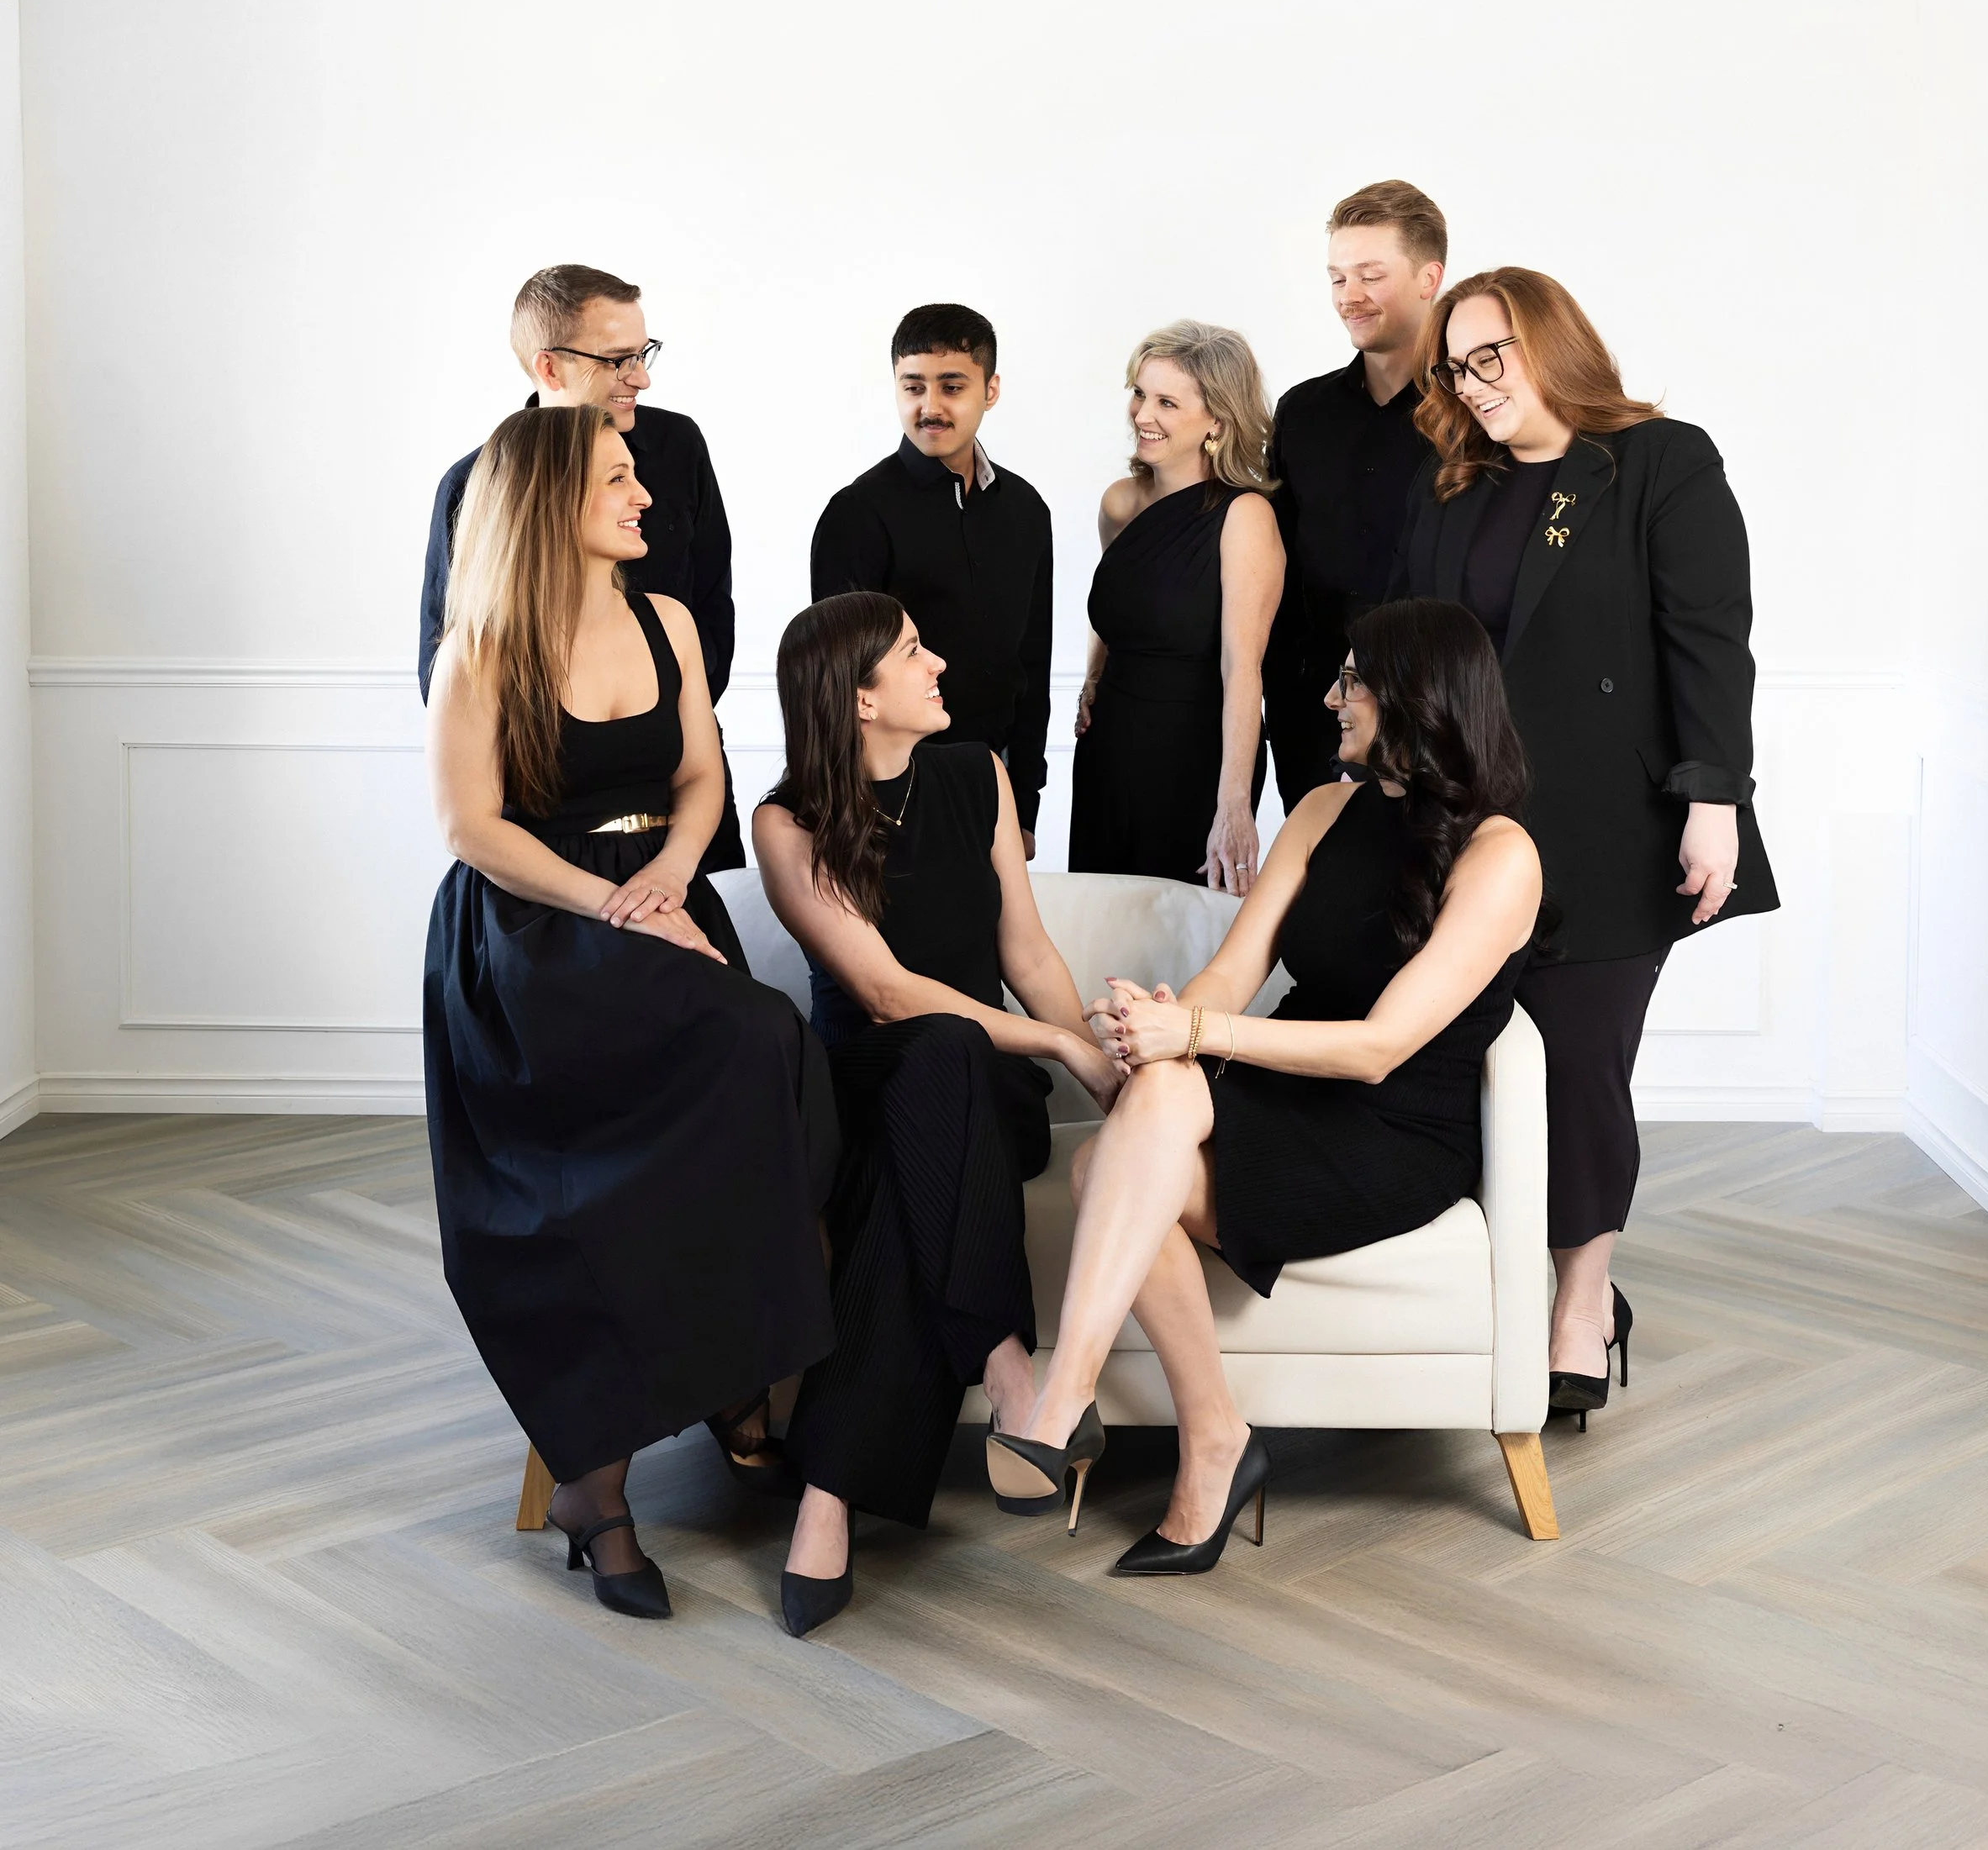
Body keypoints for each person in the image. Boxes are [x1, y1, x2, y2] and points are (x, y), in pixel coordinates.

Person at [988, 600, 1541, 1570]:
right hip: (1285, 1085)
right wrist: (1158, 1028)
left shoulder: (1501, 855)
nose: (1330, 699)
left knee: (1099, 1172)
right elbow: (1230, 977)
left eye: (1350, 681)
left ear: (1411, 696)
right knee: (1149, 1107)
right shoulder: (1326, 808)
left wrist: (1191, 1033)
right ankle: (1151, 1422)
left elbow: (1379, 1045)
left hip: (1392, 1127)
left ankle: (1114, 1416)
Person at [424, 404, 836, 1622]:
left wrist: (671, 877)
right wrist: (615, 902)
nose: (644, 496)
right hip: (534, 935)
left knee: (770, 1048)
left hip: (651, 901)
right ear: (553, 501)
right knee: (743, 1044)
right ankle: (606, 1481)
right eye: (617, 477)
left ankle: (725, 1371)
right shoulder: (482, 646)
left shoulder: (669, 622)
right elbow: (472, 830)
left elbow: (703, 774)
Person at [1397, 266, 1780, 1422]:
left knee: (1580, 1061)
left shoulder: (1659, 462)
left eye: (1492, 355)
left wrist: (1713, 798)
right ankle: (1495, 1281)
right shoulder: (1452, 487)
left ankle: (1583, 1297)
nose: (1474, 385)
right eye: (1458, 366)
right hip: (1472, 826)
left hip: (1617, 825)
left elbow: (1710, 639)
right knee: (1467, 1054)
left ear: (1550, 342)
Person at [753, 593, 1121, 1637]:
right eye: (915, 651)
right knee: (927, 1071)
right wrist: (1051, 1043)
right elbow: (884, 996)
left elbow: (1027, 956)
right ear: (860, 698)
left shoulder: (977, 775)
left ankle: (827, 1497)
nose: (939, 659)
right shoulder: (788, 823)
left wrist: (1090, 1054)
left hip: (974, 1087)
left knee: (951, 1064)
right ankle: (1010, 1365)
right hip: (862, 1092)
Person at [419, 264, 747, 870]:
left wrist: (658, 738)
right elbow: (448, 671)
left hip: (678, 793)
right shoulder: (474, 485)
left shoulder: (679, 450)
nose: (641, 377)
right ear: (550, 366)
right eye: (617, 359)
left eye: (643, 353)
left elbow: (712, 612)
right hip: (549, 818)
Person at [810, 305, 1053, 856]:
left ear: (990, 391)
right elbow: (834, 684)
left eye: (951, 386)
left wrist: (1026, 807)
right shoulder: (857, 513)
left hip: (992, 796)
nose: (929, 407)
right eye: (913, 386)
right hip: (885, 800)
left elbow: (1031, 669)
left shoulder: (1026, 510)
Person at [1068, 322, 1284, 893]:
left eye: (1167, 401)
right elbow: (1118, 606)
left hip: (1193, 757)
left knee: (1174, 941)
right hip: (1108, 748)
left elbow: (1244, 669)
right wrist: (1092, 678)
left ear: (1217, 419)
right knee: (1102, 923)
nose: (1142, 414)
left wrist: (1233, 805)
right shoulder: (1120, 502)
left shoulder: (1244, 517)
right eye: (1140, 393)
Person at [1264, 182, 1447, 810]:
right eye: (1338, 278)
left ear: (1430, 278)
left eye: (1371, 275)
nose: (1350, 297)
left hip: (1436, 720)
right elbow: (1277, 571)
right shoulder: (1302, 411)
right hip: (1310, 720)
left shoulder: (1475, 415)